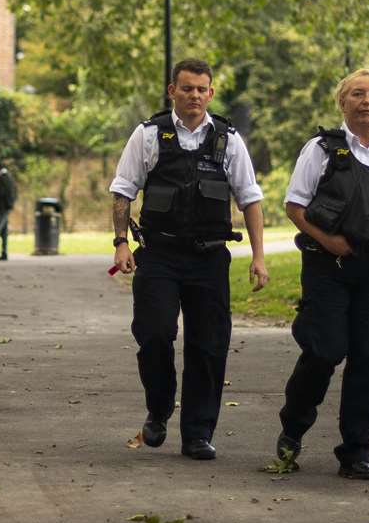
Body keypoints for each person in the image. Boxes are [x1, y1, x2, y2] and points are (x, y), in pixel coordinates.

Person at [110, 58, 268, 461]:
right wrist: (121, 242)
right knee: (154, 333)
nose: (194, 95)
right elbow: (123, 190)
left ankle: (198, 433)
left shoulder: (228, 140)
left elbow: (250, 198)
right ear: (172, 91)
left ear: (211, 93)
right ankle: (159, 409)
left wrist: (258, 257)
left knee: (209, 346)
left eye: (202, 89)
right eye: (187, 88)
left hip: (209, 258)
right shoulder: (148, 135)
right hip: (160, 255)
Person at [275, 68, 369, 480]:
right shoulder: (321, 149)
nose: (366, 101)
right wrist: (330, 240)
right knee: (324, 350)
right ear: (343, 102)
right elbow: (294, 207)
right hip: (329, 265)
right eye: (357, 94)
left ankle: (356, 451)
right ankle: (293, 426)